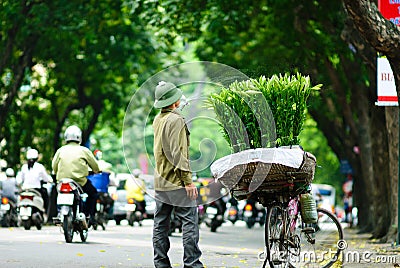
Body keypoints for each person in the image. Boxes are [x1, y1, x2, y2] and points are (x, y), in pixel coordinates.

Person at [152, 81, 203, 268]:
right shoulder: (177, 120)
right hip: (176, 183)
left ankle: (160, 264)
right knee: (189, 223)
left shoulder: (158, 119)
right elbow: (177, 154)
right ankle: (192, 264)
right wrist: (188, 182)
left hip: (160, 182)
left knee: (160, 225)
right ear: (174, 101)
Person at [52, 125, 100, 227]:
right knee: (93, 194)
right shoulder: (84, 150)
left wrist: (56, 172)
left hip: (62, 181)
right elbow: (95, 166)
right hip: (79, 182)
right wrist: (96, 170)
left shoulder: (60, 150)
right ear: (79, 137)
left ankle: (59, 212)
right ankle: (89, 215)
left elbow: (54, 166)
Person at [20, 148, 51, 213]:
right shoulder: (40, 167)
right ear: (37, 158)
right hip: (36, 190)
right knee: (46, 196)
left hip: (25, 189)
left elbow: (20, 179)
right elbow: (46, 179)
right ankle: (45, 212)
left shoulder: (24, 167)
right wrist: (50, 180)